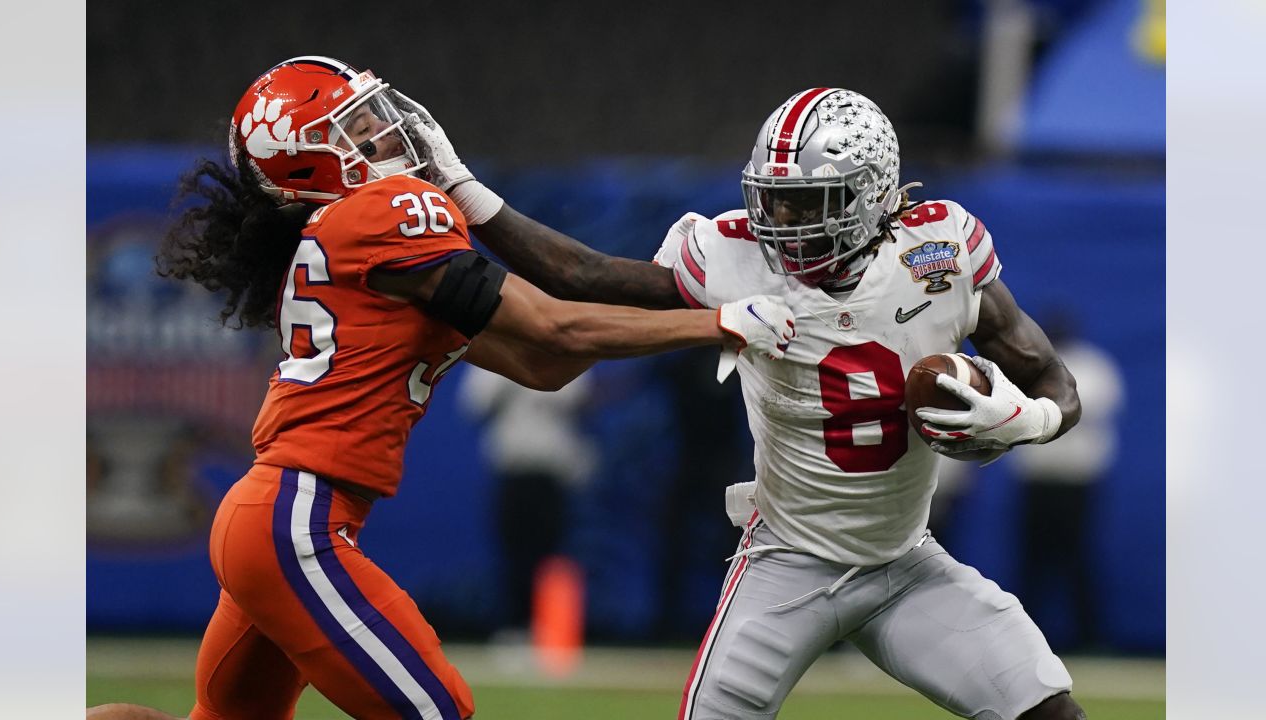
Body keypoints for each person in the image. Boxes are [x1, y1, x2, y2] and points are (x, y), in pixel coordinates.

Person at [86, 56, 797, 720]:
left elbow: (542, 366)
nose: (387, 135)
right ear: (310, 162)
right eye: (357, 129)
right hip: (294, 522)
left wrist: (685, 322)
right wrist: (719, 322)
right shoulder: (382, 213)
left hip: (271, 517)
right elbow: (556, 330)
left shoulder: (341, 239)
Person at [408, 88, 1088, 719]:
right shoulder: (737, 256)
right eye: (776, 199)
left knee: (1049, 708)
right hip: (786, 565)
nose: (782, 222)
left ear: (873, 194)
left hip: (907, 564)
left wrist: (1025, 420)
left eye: (808, 202)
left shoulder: (940, 253)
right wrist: (463, 191)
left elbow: (1055, 385)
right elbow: (581, 275)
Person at [1011, 310, 1124, 650]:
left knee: (1077, 559)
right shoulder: (1023, 364)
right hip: (1037, 481)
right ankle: (1022, 639)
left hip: (1077, 482)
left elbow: (1080, 412)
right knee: (1032, 561)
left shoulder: (1092, 367)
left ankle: (1089, 639)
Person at [458, 364, 597, 636]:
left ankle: (550, 628)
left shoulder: (563, 350)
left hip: (552, 472)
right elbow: (473, 404)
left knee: (551, 553)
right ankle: (514, 627)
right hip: (512, 470)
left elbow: (580, 399)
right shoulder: (495, 354)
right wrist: (513, 369)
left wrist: (539, 369)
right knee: (513, 551)